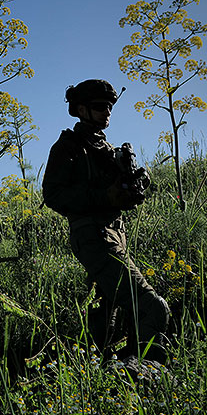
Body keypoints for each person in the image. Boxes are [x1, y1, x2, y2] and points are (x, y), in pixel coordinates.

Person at [42, 79, 170, 364]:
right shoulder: (68, 147)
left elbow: (119, 195)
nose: (107, 112)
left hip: (115, 235)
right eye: (100, 107)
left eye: (110, 107)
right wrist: (105, 196)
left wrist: (133, 185)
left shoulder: (109, 150)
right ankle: (145, 374)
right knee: (153, 309)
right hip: (94, 237)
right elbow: (53, 195)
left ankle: (105, 374)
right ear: (81, 109)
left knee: (104, 319)